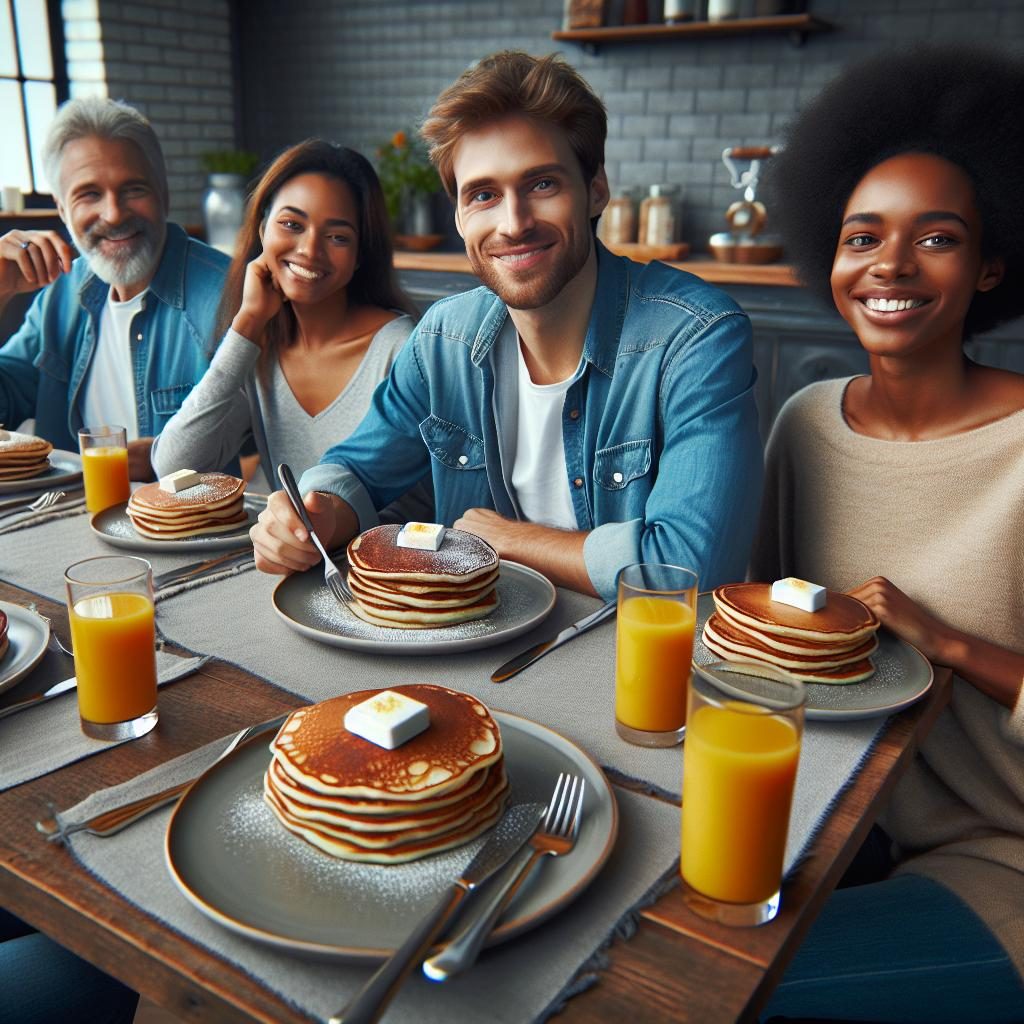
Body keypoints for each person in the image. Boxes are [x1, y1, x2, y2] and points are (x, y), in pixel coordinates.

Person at [250, 51, 762, 600]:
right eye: (484, 195)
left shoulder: (696, 337)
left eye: (542, 184)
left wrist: (509, 540)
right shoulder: (443, 339)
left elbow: (694, 566)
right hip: (469, 649)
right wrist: (315, 514)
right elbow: (354, 468)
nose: (513, 224)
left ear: (595, 189)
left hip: (628, 661)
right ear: (459, 216)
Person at [753, 46, 1024, 1022]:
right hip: (832, 822)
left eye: (937, 237)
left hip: (998, 855)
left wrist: (945, 642)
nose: (890, 265)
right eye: (860, 235)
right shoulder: (805, 423)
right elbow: (761, 645)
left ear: (992, 263)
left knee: (747, 1000)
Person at [151, 139, 419, 490]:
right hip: (273, 545)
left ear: (359, 256)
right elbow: (174, 466)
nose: (309, 250)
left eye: (337, 237)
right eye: (292, 225)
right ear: (263, 231)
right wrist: (246, 324)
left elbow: (418, 501)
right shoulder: (258, 348)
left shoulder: (399, 348)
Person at [0, 96, 229, 480]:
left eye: (133, 189)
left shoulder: (228, 293)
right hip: (64, 519)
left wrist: (162, 458)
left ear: (163, 192)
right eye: (89, 194)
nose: (114, 213)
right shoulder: (60, 294)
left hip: (185, 532)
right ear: (61, 209)